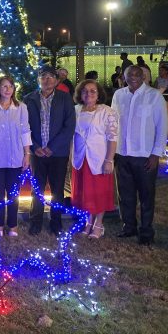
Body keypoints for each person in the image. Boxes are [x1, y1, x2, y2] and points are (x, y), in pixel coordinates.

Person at [111, 65, 167, 245]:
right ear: (124, 77)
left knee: (146, 195)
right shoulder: (119, 95)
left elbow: (161, 126)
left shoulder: (154, 96)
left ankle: (146, 231)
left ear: (143, 76)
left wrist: (155, 154)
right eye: (130, 75)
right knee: (125, 194)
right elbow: (113, 124)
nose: (133, 77)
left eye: (137, 74)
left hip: (145, 155)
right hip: (122, 154)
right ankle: (129, 226)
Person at [23, 65, 76, 235]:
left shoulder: (65, 98)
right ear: (38, 79)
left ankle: (56, 222)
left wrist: (52, 147)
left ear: (56, 79)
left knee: (57, 190)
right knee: (37, 189)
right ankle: (36, 221)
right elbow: (23, 127)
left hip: (58, 153)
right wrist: (35, 147)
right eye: (43, 76)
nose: (47, 80)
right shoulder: (28, 99)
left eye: (51, 77)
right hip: (37, 153)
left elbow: (69, 126)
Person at [0, 75, 32, 237]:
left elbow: (25, 131)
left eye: (10, 86)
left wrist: (27, 154)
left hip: (15, 157)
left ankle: (13, 225)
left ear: (14, 89)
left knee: (13, 193)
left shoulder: (21, 107)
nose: (7, 89)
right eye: (4, 86)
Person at [70, 80, 119, 239]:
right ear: (80, 94)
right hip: (80, 159)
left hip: (99, 159)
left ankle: (99, 224)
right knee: (85, 193)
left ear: (98, 94)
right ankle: (89, 221)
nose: (88, 94)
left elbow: (112, 138)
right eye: (85, 91)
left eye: (93, 91)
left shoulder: (107, 112)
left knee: (99, 193)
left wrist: (109, 160)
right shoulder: (75, 110)